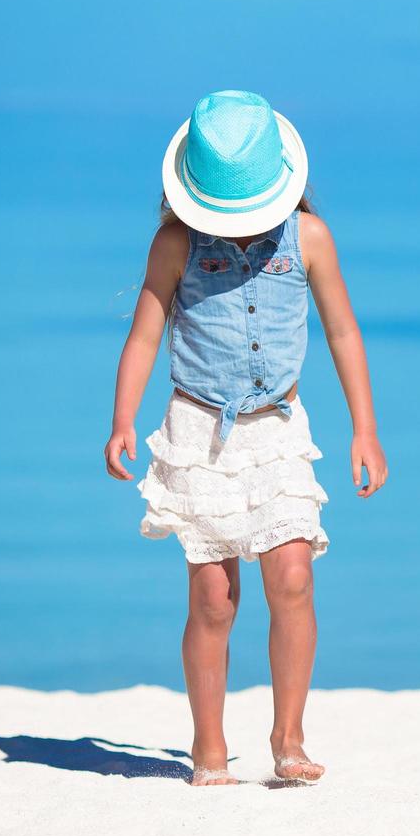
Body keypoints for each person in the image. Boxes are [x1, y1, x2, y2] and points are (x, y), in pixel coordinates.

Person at [104, 90, 388, 786]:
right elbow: (145, 334)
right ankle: (208, 747)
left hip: (280, 429)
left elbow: (343, 331)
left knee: (292, 576)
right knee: (213, 598)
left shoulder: (308, 239)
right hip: (199, 432)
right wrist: (122, 420)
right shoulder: (175, 244)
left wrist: (365, 429)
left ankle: (288, 740)